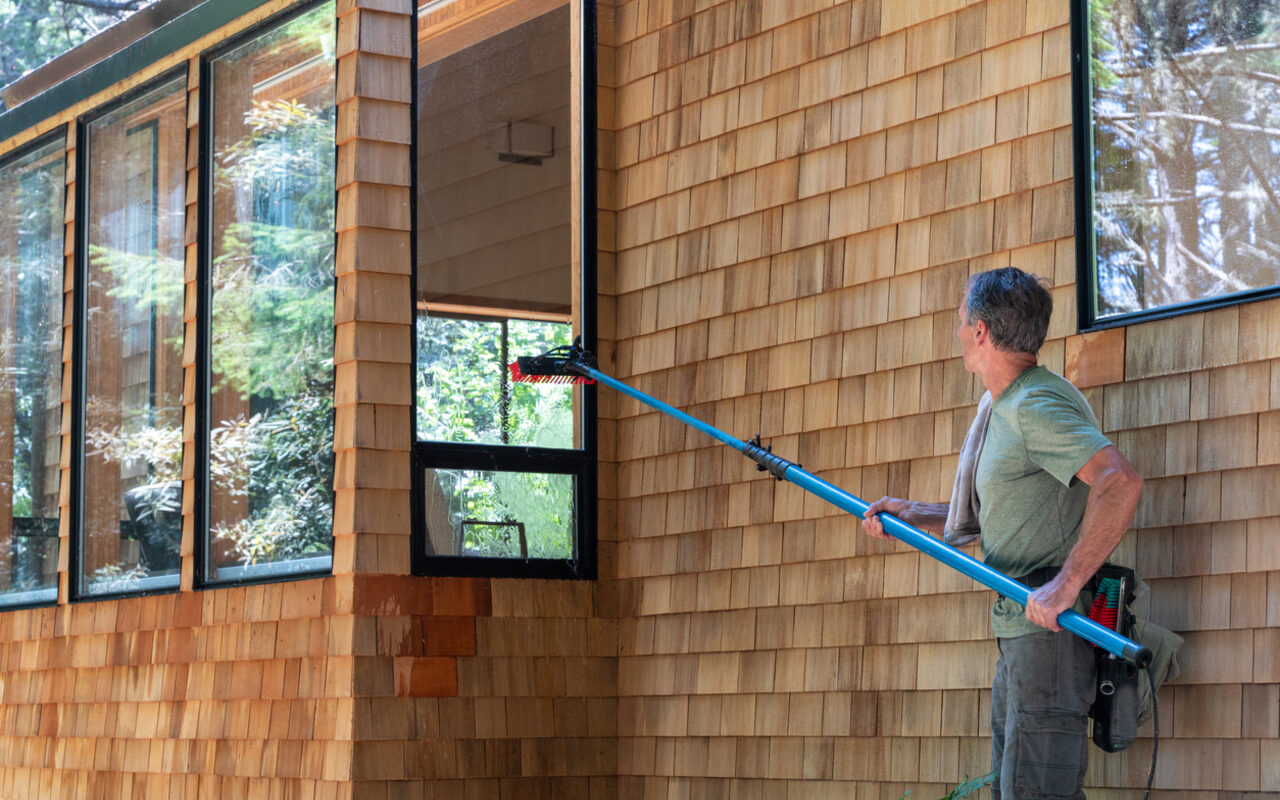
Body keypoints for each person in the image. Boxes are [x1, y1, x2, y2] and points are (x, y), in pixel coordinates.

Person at [859, 267, 1144, 800]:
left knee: (1033, 794)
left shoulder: (1034, 404)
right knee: (1014, 789)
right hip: (1021, 629)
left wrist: (1064, 585)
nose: (958, 327)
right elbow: (1005, 510)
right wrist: (912, 513)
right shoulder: (1009, 403)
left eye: (961, 318)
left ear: (982, 331)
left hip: (1049, 633)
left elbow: (1120, 482)